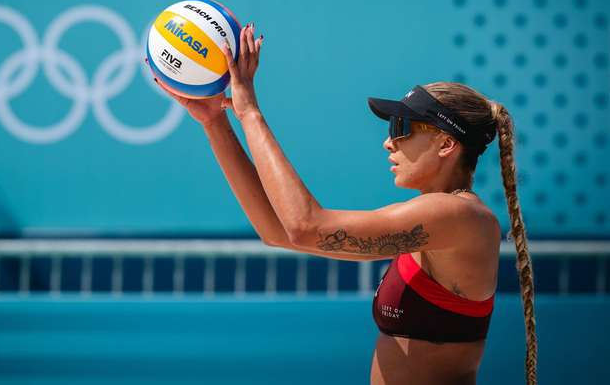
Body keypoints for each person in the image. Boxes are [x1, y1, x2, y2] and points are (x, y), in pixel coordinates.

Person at [150, 23, 537, 385]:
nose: (389, 142)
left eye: (401, 129)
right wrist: (215, 122)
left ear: (446, 144)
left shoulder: (459, 215)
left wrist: (249, 110)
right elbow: (278, 232)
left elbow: (305, 226)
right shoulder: (435, 218)